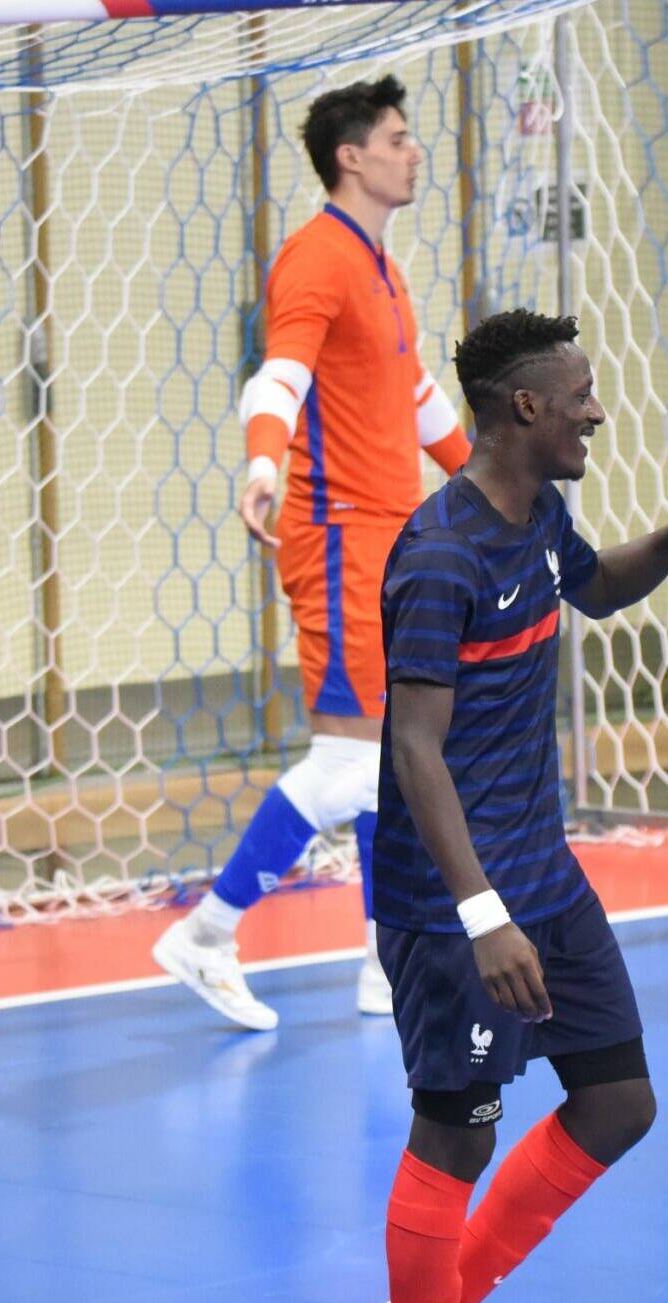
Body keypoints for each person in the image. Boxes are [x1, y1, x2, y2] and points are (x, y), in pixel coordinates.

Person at [345, 310, 668, 1303]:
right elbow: (415, 750)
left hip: (543, 871)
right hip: (451, 900)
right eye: (578, 393)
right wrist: (482, 915)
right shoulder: (439, 556)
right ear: (525, 407)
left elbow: (598, 589)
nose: (594, 408)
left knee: (618, 1096)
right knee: (455, 1131)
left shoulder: (537, 519)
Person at [152, 76, 471, 1029]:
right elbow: (277, 375)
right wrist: (262, 465)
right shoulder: (317, 259)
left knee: (391, 760)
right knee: (349, 762)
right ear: (353, 157)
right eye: (400, 139)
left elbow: (414, 396)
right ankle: (206, 933)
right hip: (335, 539)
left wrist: (496, 484)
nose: (415, 153)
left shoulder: (381, 263)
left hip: (389, 537)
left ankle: (382, 961)